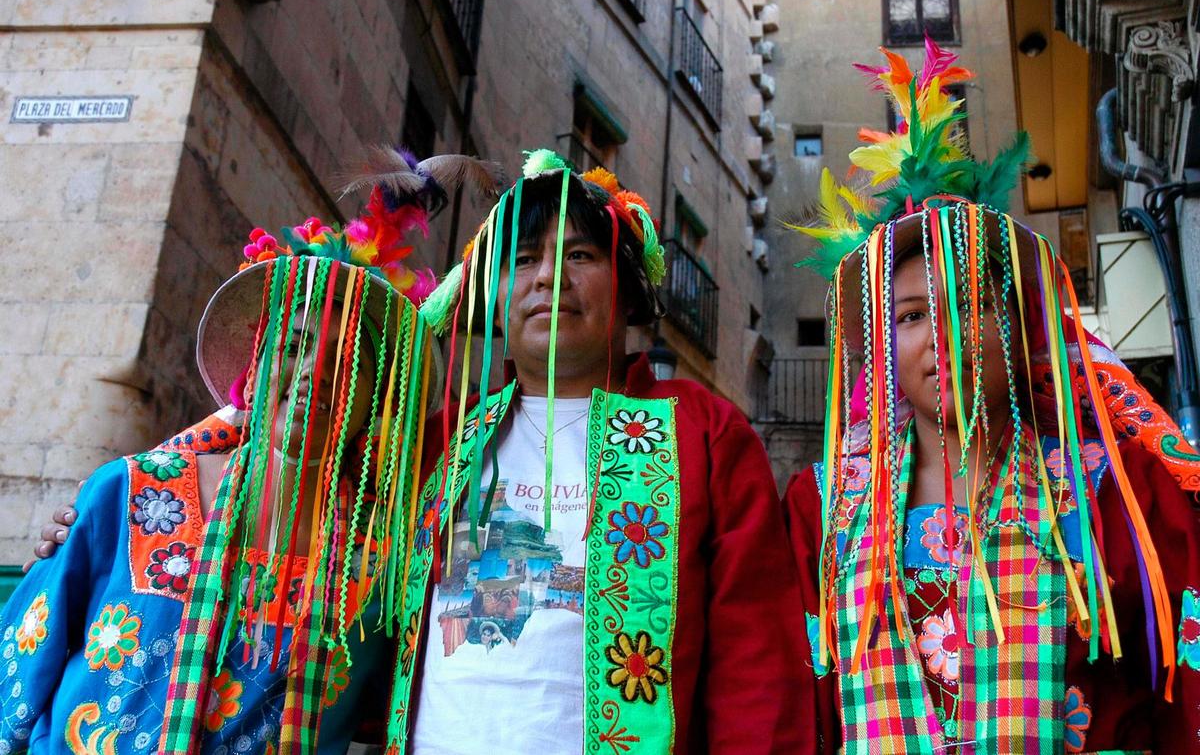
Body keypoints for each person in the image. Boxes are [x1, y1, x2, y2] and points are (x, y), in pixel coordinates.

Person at [31, 149, 811, 754]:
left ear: (629, 287)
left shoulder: (703, 435)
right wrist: (122, 499)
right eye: (521, 259)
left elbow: (758, 665)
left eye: (579, 256)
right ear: (491, 292)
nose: (548, 279)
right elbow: (306, 424)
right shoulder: (442, 437)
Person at [0, 149, 498, 753]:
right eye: (295, 345)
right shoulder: (130, 494)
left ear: (377, 401)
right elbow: (16, 686)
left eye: (349, 362)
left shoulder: (385, 566)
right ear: (253, 372)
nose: (315, 372)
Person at [784, 38, 1200, 752]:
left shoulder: (1110, 487)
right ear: (883, 348)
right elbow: (798, 707)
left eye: (968, 302)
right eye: (911, 315)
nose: (938, 335)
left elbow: (1177, 676)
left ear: (1019, 321)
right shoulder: (819, 507)